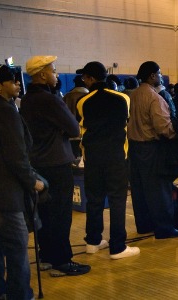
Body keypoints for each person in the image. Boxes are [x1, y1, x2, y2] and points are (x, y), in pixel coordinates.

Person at [20, 56, 90, 276]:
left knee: (45, 212)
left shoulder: (27, 99)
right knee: (60, 214)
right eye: (53, 70)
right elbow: (73, 129)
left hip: (37, 161)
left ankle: (47, 255)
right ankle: (62, 261)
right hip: (56, 162)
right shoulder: (50, 99)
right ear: (42, 74)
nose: (56, 74)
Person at [0, 61, 45, 299]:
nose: (18, 84)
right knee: (17, 248)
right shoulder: (4, 111)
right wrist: (33, 181)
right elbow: (16, 156)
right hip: (4, 192)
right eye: (12, 81)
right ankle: (20, 295)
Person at [76, 61, 140, 259]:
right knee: (117, 200)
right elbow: (124, 122)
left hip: (93, 157)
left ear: (91, 78)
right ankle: (118, 246)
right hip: (116, 156)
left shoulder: (83, 101)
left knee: (94, 199)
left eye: (85, 77)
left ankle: (93, 241)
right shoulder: (122, 98)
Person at [128, 61, 178, 239]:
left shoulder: (133, 95)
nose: (161, 76)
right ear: (152, 76)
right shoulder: (154, 98)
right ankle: (164, 228)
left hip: (134, 148)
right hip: (151, 149)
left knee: (139, 190)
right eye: (159, 73)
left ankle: (144, 225)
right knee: (159, 189)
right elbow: (163, 128)